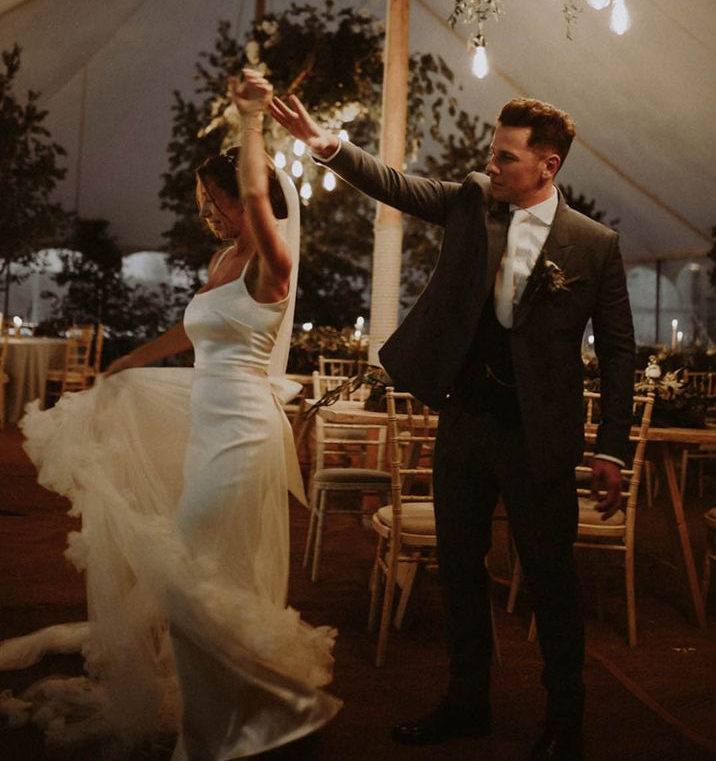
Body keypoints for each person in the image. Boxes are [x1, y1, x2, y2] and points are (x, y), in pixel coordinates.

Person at [269, 90, 635, 761]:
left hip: (538, 436)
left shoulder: (595, 245)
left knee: (552, 579)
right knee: (459, 571)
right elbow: (398, 185)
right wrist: (329, 146)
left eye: (505, 156)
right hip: (467, 420)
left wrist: (612, 448)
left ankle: (566, 719)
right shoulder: (472, 200)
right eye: (492, 152)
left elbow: (617, 353)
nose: (489, 164)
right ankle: (467, 703)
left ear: (547, 166)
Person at [0, 70, 340, 759]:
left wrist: (249, 122)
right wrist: (129, 363)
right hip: (206, 424)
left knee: (186, 578)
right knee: (200, 579)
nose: (213, 212)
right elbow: (193, 331)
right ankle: (215, 722)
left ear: (254, 202)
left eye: (219, 201)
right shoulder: (225, 259)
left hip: (242, 435)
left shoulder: (272, 261)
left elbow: (253, 188)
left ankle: (270, 711)